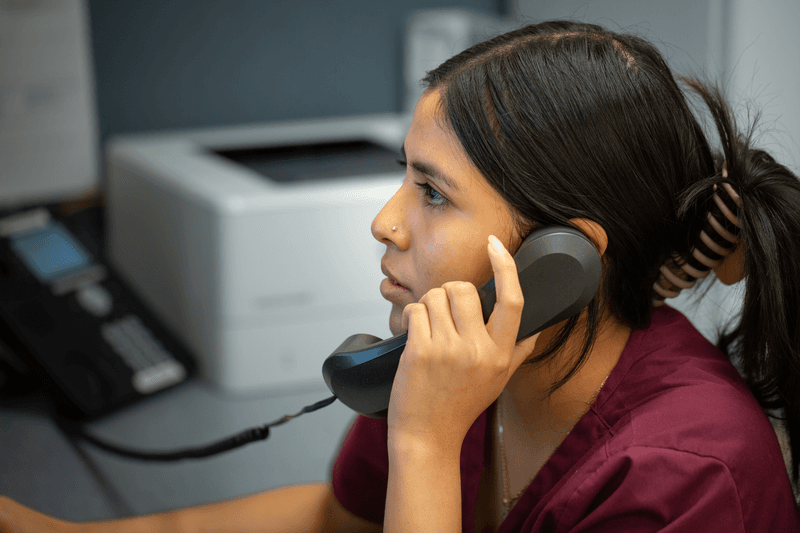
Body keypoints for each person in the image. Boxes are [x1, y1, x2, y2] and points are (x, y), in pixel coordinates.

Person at [2, 19, 799, 533]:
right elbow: (334, 517)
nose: (384, 221)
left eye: (431, 192)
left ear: (563, 262)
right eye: (403, 176)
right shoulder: (464, 363)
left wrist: (422, 442)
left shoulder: (688, 482)